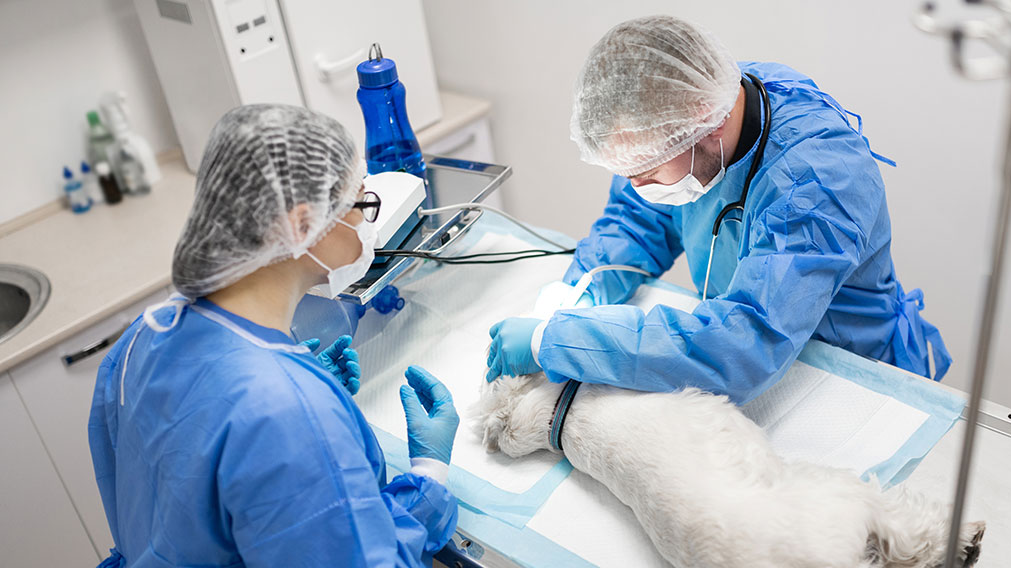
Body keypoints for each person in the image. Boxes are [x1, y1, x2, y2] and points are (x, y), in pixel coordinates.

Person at [487, 15, 951, 404]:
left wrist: (561, 340)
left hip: (850, 378)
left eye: (645, 168)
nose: (635, 184)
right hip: (757, 358)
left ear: (710, 124)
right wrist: (580, 291)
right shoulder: (674, 111)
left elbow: (744, 344)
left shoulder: (815, 181)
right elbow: (636, 220)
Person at [89, 104, 460, 567]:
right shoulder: (289, 415)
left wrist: (301, 387)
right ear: (302, 224)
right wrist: (428, 479)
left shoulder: (139, 342)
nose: (367, 223)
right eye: (361, 204)